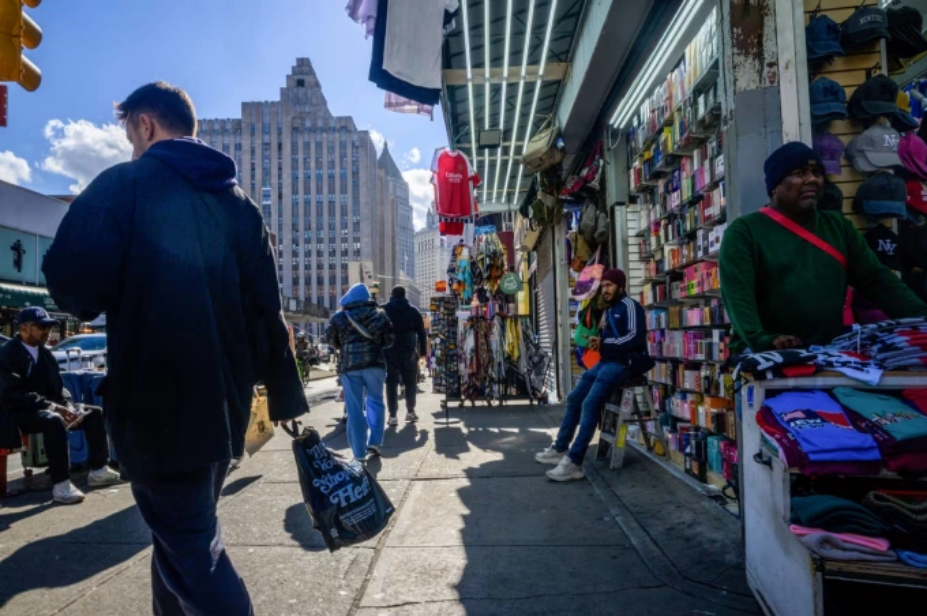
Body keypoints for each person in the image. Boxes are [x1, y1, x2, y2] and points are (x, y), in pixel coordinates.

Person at [42, 82, 308, 615]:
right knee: (179, 539)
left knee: (190, 547)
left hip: (156, 404)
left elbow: (73, 288)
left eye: (130, 136)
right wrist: (283, 395)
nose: (131, 149)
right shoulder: (240, 206)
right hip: (226, 408)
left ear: (145, 125)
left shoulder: (125, 185)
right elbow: (268, 313)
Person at [719, 142, 927, 353]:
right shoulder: (744, 232)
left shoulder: (838, 227)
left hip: (828, 351)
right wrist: (760, 339)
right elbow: (739, 296)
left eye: (817, 173)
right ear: (775, 185)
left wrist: (921, 317)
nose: (812, 179)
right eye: (800, 173)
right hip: (768, 353)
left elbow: (877, 280)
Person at [535, 269, 648, 482]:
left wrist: (604, 343)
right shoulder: (610, 309)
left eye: (609, 285)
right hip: (606, 362)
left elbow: (635, 338)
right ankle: (560, 448)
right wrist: (598, 341)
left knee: (590, 403)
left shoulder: (630, 306)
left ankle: (574, 462)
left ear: (621, 286)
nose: (605, 290)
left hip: (623, 363)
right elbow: (610, 341)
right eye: (603, 286)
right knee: (574, 398)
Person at [0, 307, 122, 504]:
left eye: (49, 327)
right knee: (54, 420)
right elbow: (11, 393)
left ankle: (99, 470)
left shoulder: (45, 354)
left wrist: (69, 406)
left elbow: (57, 388)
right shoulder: (7, 353)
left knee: (92, 413)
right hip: (14, 413)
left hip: (43, 408)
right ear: (24, 328)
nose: (47, 331)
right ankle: (61, 484)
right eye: (42, 327)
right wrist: (55, 407)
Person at [328, 283, 394, 461]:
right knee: (376, 401)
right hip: (374, 364)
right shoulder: (379, 315)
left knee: (354, 409)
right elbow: (389, 340)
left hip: (350, 367)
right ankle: (375, 442)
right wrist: (376, 344)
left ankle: (358, 453)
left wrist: (345, 346)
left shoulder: (340, 317)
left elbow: (331, 341)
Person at [382, 286, 427, 426]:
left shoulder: (383, 310)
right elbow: (422, 334)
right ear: (404, 295)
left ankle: (392, 416)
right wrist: (423, 353)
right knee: (410, 382)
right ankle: (410, 411)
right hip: (409, 351)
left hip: (389, 351)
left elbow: (376, 330)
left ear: (392, 295)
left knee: (391, 383)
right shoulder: (414, 311)